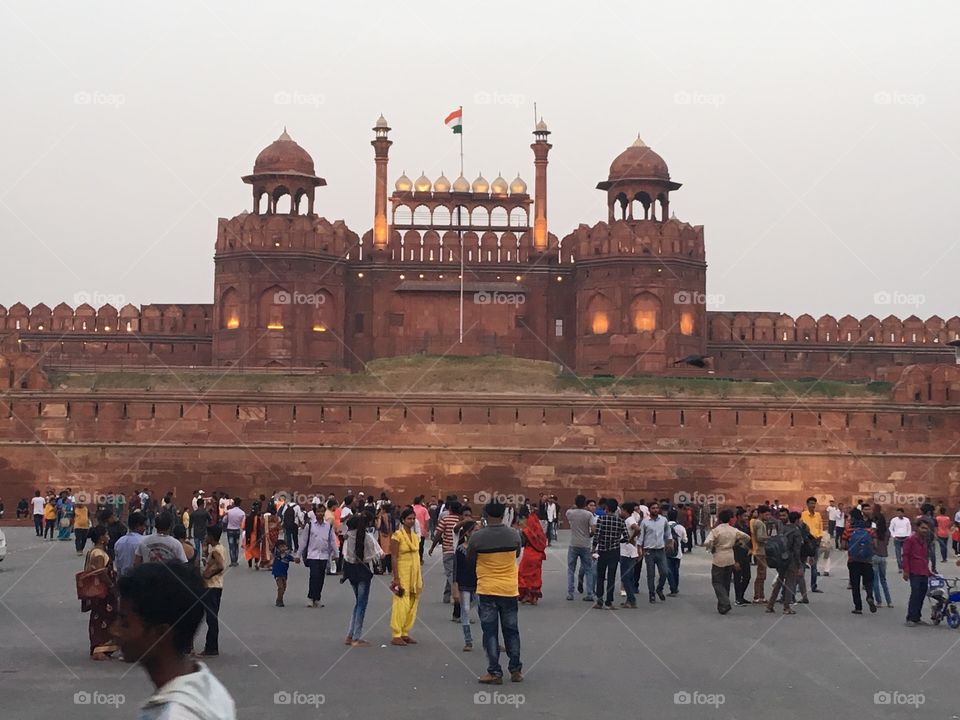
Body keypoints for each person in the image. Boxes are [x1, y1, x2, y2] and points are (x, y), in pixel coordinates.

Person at [113, 561, 236, 720]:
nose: (114, 630)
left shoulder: (175, 714)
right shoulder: (207, 685)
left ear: (160, 633)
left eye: (125, 623)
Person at [468, 500, 523, 684]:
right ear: (503, 514)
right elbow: (516, 554)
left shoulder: (477, 537)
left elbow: (470, 559)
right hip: (509, 589)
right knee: (512, 631)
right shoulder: (514, 534)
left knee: (490, 632)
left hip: (487, 589)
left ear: (486, 514)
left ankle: (494, 672)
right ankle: (515, 670)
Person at [342, 511, 381, 646]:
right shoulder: (367, 537)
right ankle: (356, 637)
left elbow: (346, 555)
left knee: (358, 603)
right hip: (363, 571)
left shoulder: (348, 537)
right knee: (361, 604)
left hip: (350, 570)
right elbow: (376, 555)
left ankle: (350, 635)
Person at [83, 526, 120, 660]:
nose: (108, 537)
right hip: (103, 592)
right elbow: (100, 572)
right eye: (106, 534)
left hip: (99, 592)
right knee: (105, 618)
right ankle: (99, 649)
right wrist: (111, 585)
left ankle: (102, 648)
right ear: (101, 538)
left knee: (99, 617)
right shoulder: (98, 553)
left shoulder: (93, 551)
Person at [704, 509, 751, 614]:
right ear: (729, 519)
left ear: (720, 520)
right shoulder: (733, 530)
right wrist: (738, 543)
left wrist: (712, 547)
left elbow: (707, 542)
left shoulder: (716, 530)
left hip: (719, 557)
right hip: (730, 556)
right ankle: (723, 606)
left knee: (717, 582)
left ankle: (725, 602)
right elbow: (747, 537)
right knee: (726, 582)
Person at [390, 507, 423, 646]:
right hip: (402, 572)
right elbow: (394, 557)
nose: (412, 521)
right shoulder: (397, 535)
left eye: (414, 518)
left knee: (413, 601)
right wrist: (396, 577)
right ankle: (396, 634)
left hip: (415, 573)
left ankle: (405, 632)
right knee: (401, 600)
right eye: (409, 518)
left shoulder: (415, 536)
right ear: (403, 520)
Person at [841, 508, 878, 614]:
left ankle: (858, 607)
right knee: (868, 582)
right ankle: (869, 596)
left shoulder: (848, 531)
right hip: (867, 561)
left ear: (853, 518)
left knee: (855, 585)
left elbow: (843, 546)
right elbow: (875, 545)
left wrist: (853, 547)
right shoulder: (869, 530)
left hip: (853, 561)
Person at [766, 509, 803, 615]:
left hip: (781, 558)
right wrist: (799, 564)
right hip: (791, 560)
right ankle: (787, 607)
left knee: (779, 582)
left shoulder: (783, 529)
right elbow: (797, 550)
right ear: (797, 520)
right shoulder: (796, 531)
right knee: (790, 583)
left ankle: (770, 605)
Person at [592, 498, 627, 609]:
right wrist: (618, 541)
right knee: (611, 577)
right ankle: (609, 601)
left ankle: (599, 601)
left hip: (602, 550)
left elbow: (597, 536)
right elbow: (626, 537)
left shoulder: (601, 519)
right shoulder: (620, 521)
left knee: (600, 576)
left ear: (606, 508)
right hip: (614, 551)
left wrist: (593, 548)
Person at [301, 501, 337, 608]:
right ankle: (310, 597)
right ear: (315, 513)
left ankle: (317, 598)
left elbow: (332, 540)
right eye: (318, 511)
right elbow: (304, 540)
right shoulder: (310, 525)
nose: (320, 513)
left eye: (322, 511)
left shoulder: (328, 526)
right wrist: (298, 555)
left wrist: (336, 553)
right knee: (314, 576)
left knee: (321, 577)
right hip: (312, 554)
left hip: (324, 555)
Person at [197, 525, 226, 657]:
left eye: (207, 535)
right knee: (212, 616)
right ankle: (211, 646)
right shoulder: (219, 548)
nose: (205, 537)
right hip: (216, 585)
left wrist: (208, 575)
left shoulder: (215, 551)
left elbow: (220, 565)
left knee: (211, 617)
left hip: (212, 586)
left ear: (212, 537)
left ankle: (211, 647)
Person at [429, 500, 463, 611]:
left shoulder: (445, 519)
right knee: (453, 573)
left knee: (451, 574)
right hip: (459, 551)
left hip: (448, 550)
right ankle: (446, 596)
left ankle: (455, 595)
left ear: (450, 509)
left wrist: (432, 547)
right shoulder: (461, 520)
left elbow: (438, 534)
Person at [639, 500, 673, 603]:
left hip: (660, 550)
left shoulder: (663, 520)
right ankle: (652, 594)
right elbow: (641, 537)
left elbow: (668, 533)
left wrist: (669, 543)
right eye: (653, 508)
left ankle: (659, 588)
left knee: (665, 572)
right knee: (651, 574)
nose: (655, 510)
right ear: (649, 510)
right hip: (649, 551)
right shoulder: (645, 522)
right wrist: (640, 549)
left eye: (657, 508)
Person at [453, 520, 479, 651]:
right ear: (468, 533)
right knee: (466, 611)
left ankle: (492, 640)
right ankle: (468, 641)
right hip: (464, 585)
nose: (478, 533)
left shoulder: (481, 549)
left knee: (485, 612)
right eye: (475, 530)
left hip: (479, 584)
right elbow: (456, 569)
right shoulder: (460, 549)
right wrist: (455, 586)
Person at [902, 520, 933, 626]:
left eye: (926, 528)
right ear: (917, 528)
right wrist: (906, 570)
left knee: (922, 594)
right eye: (923, 528)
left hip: (923, 571)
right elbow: (905, 555)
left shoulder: (924, 541)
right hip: (914, 571)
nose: (925, 530)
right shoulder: (910, 540)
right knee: (915, 594)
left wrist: (929, 571)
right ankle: (910, 618)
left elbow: (924, 558)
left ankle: (917, 617)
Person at [565, 494, 596, 602]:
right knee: (588, 569)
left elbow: (570, 510)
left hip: (573, 543)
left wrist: (575, 506)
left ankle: (570, 593)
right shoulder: (589, 514)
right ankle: (590, 593)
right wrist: (589, 535)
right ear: (585, 504)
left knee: (571, 569)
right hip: (585, 544)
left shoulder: (570, 513)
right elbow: (594, 529)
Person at [517, 508, 547, 605]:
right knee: (535, 576)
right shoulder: (538, 528)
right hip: (538, 555)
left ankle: (526, 595)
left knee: (523, 574)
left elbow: (522, 542)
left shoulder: (526, 531)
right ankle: (534, 596)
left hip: (529, 554)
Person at [618, 502, 641, 608]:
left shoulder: (629, 520)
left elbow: (637, 529)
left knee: (625, 577)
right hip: (631, 552)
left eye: (621, 510)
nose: (620, 512)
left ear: (625, 510)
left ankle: (632, 599)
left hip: (627, 552)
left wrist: (630, 539)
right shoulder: (629, 519)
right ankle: (629, 600)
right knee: (629, 577)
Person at [799, 496, 824, 594]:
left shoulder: (818, 515)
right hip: (805, 542)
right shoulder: (803, 515)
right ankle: (801, 586)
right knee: (803, 564)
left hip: (815, 541)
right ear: (807, 504)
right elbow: (800, 527)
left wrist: (820, 538)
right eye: (811, 503)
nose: (813, 505)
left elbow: (820, 528)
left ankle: (814, 586)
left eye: (814, 503)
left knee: (814, 565)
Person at [871, 505, 893, 608]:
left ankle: (879, 601)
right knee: (883, 580)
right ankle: (889, 601)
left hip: (875, 555)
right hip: (883, 556)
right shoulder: (887, 532)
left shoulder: (874, 532)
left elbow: (874, 545)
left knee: (875, 580)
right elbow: (887, 543)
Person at [731, 508, 753, 606]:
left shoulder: (746, 527)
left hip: (746, 556)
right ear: (739, 517)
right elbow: (732, 545)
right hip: (737, 556)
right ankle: (738, 598)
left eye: (747, 516)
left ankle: (741, 596)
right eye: (744, 516)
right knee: (738, 578)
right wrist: (735, 561)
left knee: (747, 577)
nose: (746, 518)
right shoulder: (734, 529)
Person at [114, 512, 147, 576]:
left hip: (123, 577)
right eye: (143, 526)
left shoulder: (119, 542)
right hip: (138, 577)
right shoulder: (143, 541)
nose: (144, 528)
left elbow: (117, 564)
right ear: (137, 526)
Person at [664, 509, 686, 595]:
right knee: (676, 571)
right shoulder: (681, 527)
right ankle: (675, 587)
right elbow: (685, 540)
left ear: (668, 516)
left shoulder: (664, 526)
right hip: (678, 553)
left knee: (669, 570)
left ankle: (672, 588)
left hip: (666, 551)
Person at [272, 539, 300, 607]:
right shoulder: (276, 555)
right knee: (281, 587)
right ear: (277, 548)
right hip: (277, 574)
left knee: (284, 587)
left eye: (284, 546)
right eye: (281, 547)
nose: (283, 548)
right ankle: (279, 600)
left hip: (284, 574)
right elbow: (272, 550)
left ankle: (280, 597)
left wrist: (297, 560)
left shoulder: (287, 556)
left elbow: (294, 559)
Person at [750, 505, 769, 602]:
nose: (768, 516)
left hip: (758, 550)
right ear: (761, 514)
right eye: (766, 514)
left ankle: (760, 595)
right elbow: (760, 537)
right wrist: (769, 538)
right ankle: (758, 596)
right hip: (760, 551)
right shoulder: (760, 523)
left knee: (761, 574)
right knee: (761, 575)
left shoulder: (755, 522)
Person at [224, 498, 245, 567]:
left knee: (231, 546)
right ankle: (236, 560)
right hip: (237, 530)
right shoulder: (242, 513)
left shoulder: (229, 512)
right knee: (236, 545)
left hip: (230, 530)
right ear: (240, 503)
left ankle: (232, 561)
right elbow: (243, 523)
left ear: (234, 503)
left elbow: (224, 520)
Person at [413, 496, 431, 563]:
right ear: (421, 502)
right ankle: (420, 559)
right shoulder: (424, 510)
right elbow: (426, 521)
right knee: (421, 545)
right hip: (421, 530)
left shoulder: (411, 509)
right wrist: (427, 530)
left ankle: (414, 558)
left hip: (412, 530)